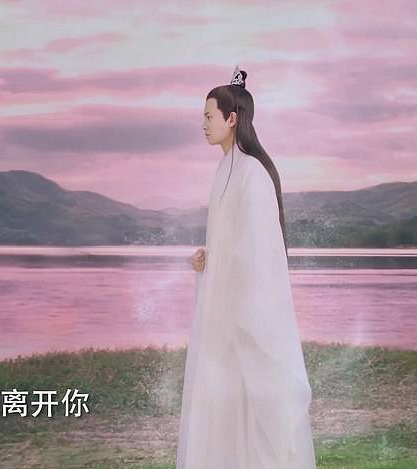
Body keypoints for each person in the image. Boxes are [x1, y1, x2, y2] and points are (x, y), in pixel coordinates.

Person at [177, 68, 316, 468]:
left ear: (232, 118)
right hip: (222, 313)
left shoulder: (253, 173)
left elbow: (259, 252)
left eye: (209, 116)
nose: (203, 124)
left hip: (244, 315)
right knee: (220, 402)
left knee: (250, 404)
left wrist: (236, 295)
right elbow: (232, 242)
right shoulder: (225, 169)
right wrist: (207, 260)